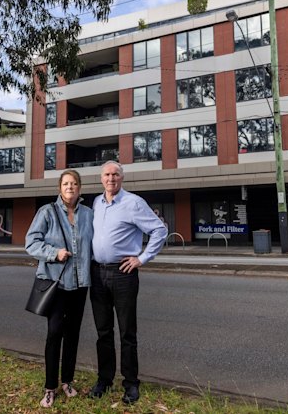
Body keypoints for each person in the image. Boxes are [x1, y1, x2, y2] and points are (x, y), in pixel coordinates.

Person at [89, 161, 167, 405]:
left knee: (127, 333)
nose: (111, 178)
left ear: (122, 178)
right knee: (103, 332)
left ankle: (131, 384)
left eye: (115, 174)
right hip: (97, 273)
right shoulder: (96, 203)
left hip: (123, 274)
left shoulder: (133, 203)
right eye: (107, 174)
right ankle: (104, 380)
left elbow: (159, 230)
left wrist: (141, 258)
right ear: (101, 178)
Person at [26, 169, 94, 408]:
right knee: (54, 334)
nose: (70, 187)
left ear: (80, 188)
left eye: (74, 183)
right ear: (59, 188)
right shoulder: (47, 212)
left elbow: (96, 244)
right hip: (57, 283)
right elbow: (31, 243)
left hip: (80, 284)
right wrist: (54, 253)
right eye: (66, 183)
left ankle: (67, 382)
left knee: (73, 335)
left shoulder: (88, 214)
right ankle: (49, 387)